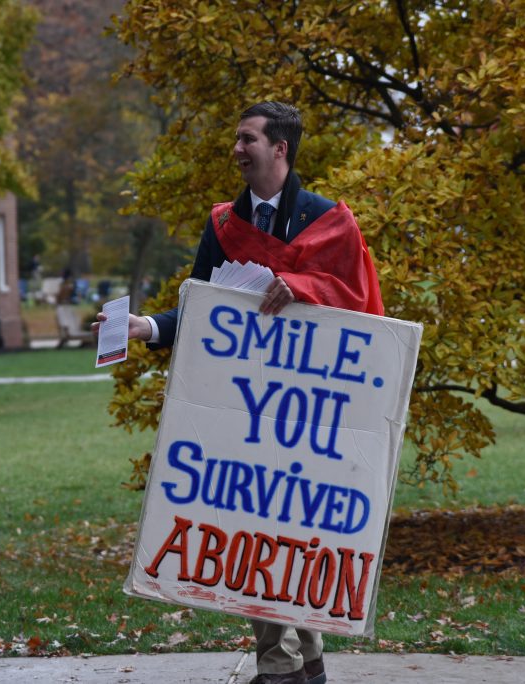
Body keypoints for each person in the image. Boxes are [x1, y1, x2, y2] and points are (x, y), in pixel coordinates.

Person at [96, 102, 383, 684]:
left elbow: (360, 308)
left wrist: (299, 284)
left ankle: (309, 658)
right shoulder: (224, 224)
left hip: (312, 413)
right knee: (254, 525)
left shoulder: (331, 222)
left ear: (280, 148)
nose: (236, 149)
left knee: (302, 526)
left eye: (247, 138)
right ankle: (281, 666)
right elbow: (202, 306)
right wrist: (149, 327)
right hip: (244, 405)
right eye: (236, 138)